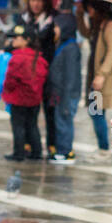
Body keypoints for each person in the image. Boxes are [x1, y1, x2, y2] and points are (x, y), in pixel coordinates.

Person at [76, 0, 112, 153]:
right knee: (96, 111)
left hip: (104, 79)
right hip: (95, 77)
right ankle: (103, 147)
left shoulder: (111, 26)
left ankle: (104, 148)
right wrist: (79, 15)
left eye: (90, 9)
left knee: (96, 112)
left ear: (98, 8)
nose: (89, 12)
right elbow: (84, 33)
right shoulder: (98, 26)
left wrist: (101, 75)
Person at [1, 23, 48, 162]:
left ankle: (18, 153)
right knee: (32, 125)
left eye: (17, 38)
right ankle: (36, 151)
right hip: (34, 99)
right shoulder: (39, 58)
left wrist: (6, 92)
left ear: (27, 40)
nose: (13, 40)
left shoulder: (17, 58)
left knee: (18, 126)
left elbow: (10, 80)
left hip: (18, 99)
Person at [21, 0, 59, 155]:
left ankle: (52, 145)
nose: (35, 4)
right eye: (33, 0)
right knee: (29, 110)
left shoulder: (54, 20)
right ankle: (29, 144)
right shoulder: (24, 19)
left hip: (48, 70)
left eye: (39, 0)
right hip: (29, 72)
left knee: (50, 110)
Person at [46, 8, 81, 162]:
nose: (55, 30)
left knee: (64, 121)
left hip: (66, 94)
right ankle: (62, 150)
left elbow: (71, 76)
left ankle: (66, 152)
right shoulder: (64, 45)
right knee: (60, 121)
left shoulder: (71, 48)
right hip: (60, 93)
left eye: (57, 27)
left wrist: (66, 100)